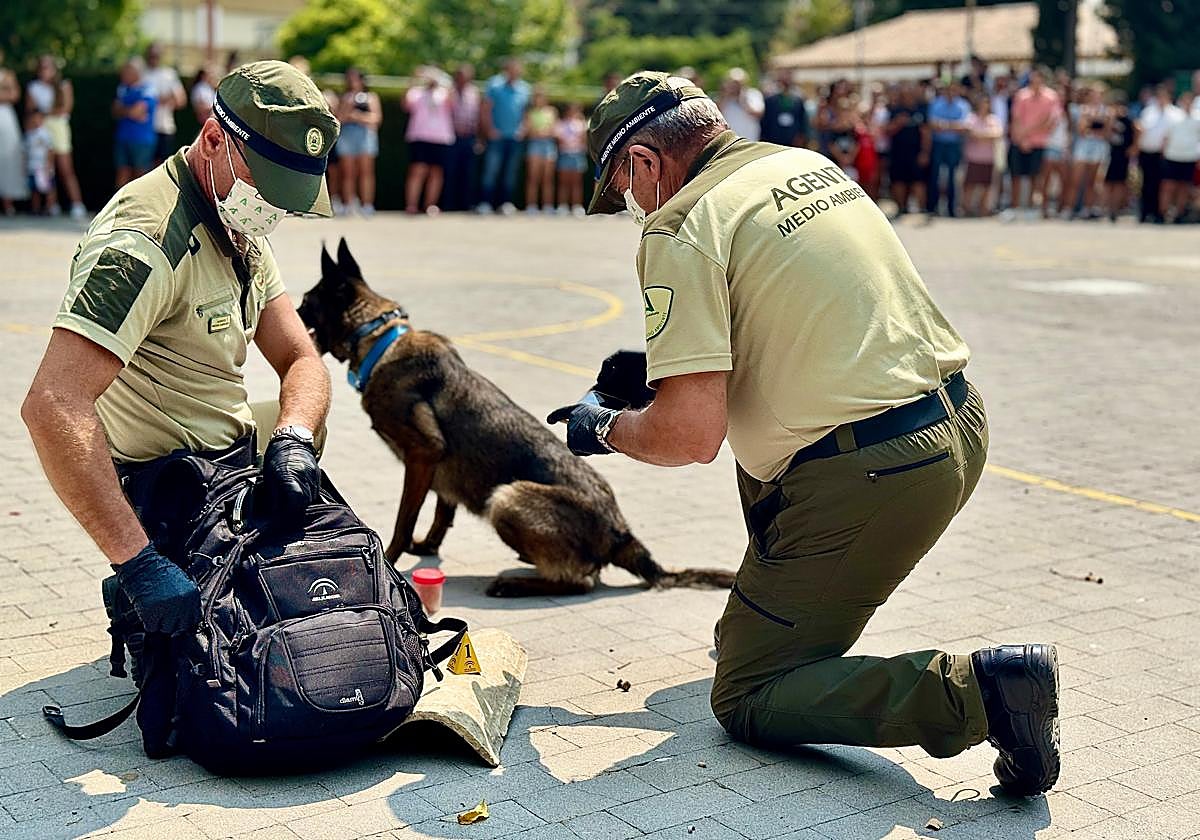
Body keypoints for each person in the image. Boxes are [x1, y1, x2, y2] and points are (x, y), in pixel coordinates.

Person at [551, 71, 1060, 798]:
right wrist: (669, 370)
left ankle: (981, 693)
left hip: (875, 474)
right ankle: (776, 613)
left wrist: (603, 427)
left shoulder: (682, 224)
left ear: (644, 163)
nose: (631, 206)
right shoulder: (802, 164)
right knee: (750, 564)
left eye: (623, 189)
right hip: (956, 421)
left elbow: (690, 436)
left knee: (749, 694)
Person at [21, 60, 338, 642]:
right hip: (167, 480)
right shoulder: (144, 243)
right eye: (266, 189)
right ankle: (150, 559)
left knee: (326, 591)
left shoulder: (235, 219)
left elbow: (303, 360)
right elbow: (52, 404)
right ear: (214, 138)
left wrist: (292, 441)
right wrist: (136, 563)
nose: (273, 210)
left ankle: (205, 550)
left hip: (229, 455)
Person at [25, 55, 86, 219]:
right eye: (42, 67)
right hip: (41, 128)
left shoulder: (64, 85)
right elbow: (31, 110)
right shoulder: (33, 87)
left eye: (47, 67)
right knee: (45, 169)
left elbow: (65, 109)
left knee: (66, 168)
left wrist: (44, 112)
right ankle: (51, 205)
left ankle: (77, 203)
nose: (44, 71)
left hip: (59, 128)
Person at [1005, 67, 1059, 222]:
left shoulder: (1051, 97)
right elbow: (1016, 119)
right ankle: (1014, 208)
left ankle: (1030, 209)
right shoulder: (1021, 95)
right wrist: (1022, 139)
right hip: (1020, 141)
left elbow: (1050, 121)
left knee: (1036, 177)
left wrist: (1028, 133)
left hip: (1039, 143)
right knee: (1016, 175)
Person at [478, 58, 530, 215]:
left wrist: (523, 129)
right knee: (491, 171)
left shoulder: (525, 88)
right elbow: (485, 109)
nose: (515, 72)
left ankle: (505, 203)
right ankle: (485, 203)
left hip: (514, 137)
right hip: (496, 137)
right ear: (506, 70)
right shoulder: (493, 85)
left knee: (510, 172)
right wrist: (490, 130)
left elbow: (525, 113)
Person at [403, 66, 454, 215]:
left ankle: (430, 205)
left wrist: (441, 78)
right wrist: (414, 79)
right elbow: (406, 104)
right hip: (420, 136)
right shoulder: (416, 92)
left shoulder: (444, 93)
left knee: (436, 173)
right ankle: (411, 205)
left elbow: (453, 101)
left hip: (441, 138)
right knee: (417, 171)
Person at [336, 67, 382, 216]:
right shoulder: (344, 97)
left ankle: (367, 205)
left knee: (366, 172)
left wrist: (356, 116)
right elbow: (339, 118)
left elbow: (376, 118)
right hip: (347, 135)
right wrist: (348, 106)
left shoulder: (371, 97)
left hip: (365, 136)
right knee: (348, 173)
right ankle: (348, 204)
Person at [1064, 83, 1109, 220]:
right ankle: (1069, 209)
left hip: (1098, 148)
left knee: (1092, 182)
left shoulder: (1106, 111)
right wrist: (1093, 122)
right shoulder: (1081, 109)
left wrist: (1093, 124)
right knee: (1075, 181)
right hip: (1082, 147)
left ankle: (1087, 209)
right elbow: (1082, 131)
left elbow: (1105, 133)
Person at [926, 81, 970, 217]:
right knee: (935, 176)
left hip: (954, 145)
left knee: (953, 177)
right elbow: (932, 124)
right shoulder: (936, 103)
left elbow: (964, 126)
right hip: (939, 144)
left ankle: (952, 209)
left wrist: (944, 125)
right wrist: (953, 126)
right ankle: (932, 207)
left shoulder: (963, 105)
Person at [113, 59, 158, 189]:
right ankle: (119, 207)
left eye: (127, 71)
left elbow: (136, 111)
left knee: (141, 174)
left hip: (142, 139)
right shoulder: (122, 88)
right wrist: (129, 111)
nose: (123, 74)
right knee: (122, 172)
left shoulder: (148, 89)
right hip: (123, 137)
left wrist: (125, 110)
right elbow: (115, 111)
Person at [886, 81, 929, 216]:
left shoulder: (920, 111)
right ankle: (901, 208)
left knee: (918, 180)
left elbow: (926, 134)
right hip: (898, 152)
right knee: (898, 180)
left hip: (916, 152)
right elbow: (887, 131)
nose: (907, 97)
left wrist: (925, 152)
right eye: (904, 95)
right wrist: (897, 123)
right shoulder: (894, 111)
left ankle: (921, 208)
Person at [1136, 84, 1174, 224]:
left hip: (1164, 154)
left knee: (1161, 185)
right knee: (1146, 184)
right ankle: (1145, 212)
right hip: (1147, 152)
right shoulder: (1149, 111)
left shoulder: (1174, 113)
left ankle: (1159, 213)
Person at [445, 64, 481, 212]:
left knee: (467, 172)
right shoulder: (448, 91)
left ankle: (465, 204)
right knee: (449, 171)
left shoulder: (474, 92)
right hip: (451, 136)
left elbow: (477, 116)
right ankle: (447, 204)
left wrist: (478, 138)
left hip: (469, 137)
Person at [143, 42, 186, 166]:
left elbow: (180, 100)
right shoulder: (142, 74)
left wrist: (159, 101)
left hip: (164, 127)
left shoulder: (169, 74)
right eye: (151, 55)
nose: (153, 58)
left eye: (156, 55)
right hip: (146, 129)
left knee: (161, 166)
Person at [1160, 90, 1198, 223]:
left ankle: (1179, 213)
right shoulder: (1173, 117)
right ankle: (1164, 212)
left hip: (1189, 157)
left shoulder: (1198, 118)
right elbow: (1165, 137)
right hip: (1172, 156)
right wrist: (1163, 154)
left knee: (1184, 187)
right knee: (1168, 186)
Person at [962, 95, 1002, 217]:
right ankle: (966, 209)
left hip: (988, 158)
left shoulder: (994, 119)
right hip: (973, 157)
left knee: (986, 185)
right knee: (970, 185)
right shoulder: (971, 118)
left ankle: (983, 210)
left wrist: (980, 135)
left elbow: (997, 134)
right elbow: (970, 133)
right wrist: (986, 135)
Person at [1102, 89, 1136, 222]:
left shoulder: (1129, 119)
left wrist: (1134, 147)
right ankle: (1107, 209)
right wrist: (1111, 119)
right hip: (1110, 154)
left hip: (1123, 155)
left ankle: (1116, 209)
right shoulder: (1111, 119)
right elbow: (1106, 134)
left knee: (1120, 183)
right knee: (1108, 183)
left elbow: (1137, 131)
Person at [1038, 84, 1070, 219]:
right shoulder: (1050, 110)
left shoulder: (1066, 111)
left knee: (1064, 181)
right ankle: (1044, 210)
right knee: (1046, 181)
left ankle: (1059, 209)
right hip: (1050, 147)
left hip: (1062, 149)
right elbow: (1044, 127)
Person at [0, 65, 28, 215]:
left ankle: (8, 203)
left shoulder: (8, 74)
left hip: (5, 118)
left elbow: (14, 95)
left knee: (8, 158)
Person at [760, 70, 809, 148]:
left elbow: (802, 120)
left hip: (793, 139)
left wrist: (801, 136)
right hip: (774, 139)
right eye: (783, 81)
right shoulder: (770, 100)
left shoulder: (798, 100)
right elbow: (765, 120)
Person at [554, 102, 587, 216]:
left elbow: (583, 139)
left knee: (576, 182)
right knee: (563, 182)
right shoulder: (561, 124)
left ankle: (576, 206)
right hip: (565, 154)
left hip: (577, 154)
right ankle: (562, 206)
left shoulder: (581, 124)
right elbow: (559, 139)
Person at [717, 68, 764, 141]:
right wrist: (725, 96)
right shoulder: (723, 98)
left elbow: (757, 114)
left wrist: (742, 99)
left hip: (750, 139)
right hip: (729, 141)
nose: (735, 86)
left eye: (737, 83)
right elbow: (717, 116)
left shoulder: (753, 94)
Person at [24, 110, 54, 215]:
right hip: (32, 166)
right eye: (33, 119)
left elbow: (50, 150)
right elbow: (25, 152)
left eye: (38, 118)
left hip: (43, 167)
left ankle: (50, 208)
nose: (36, 121)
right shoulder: (28, 135)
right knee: (34, 189)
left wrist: (49, 164)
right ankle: (36, 209)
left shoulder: (45, 134)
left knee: (47, 188)